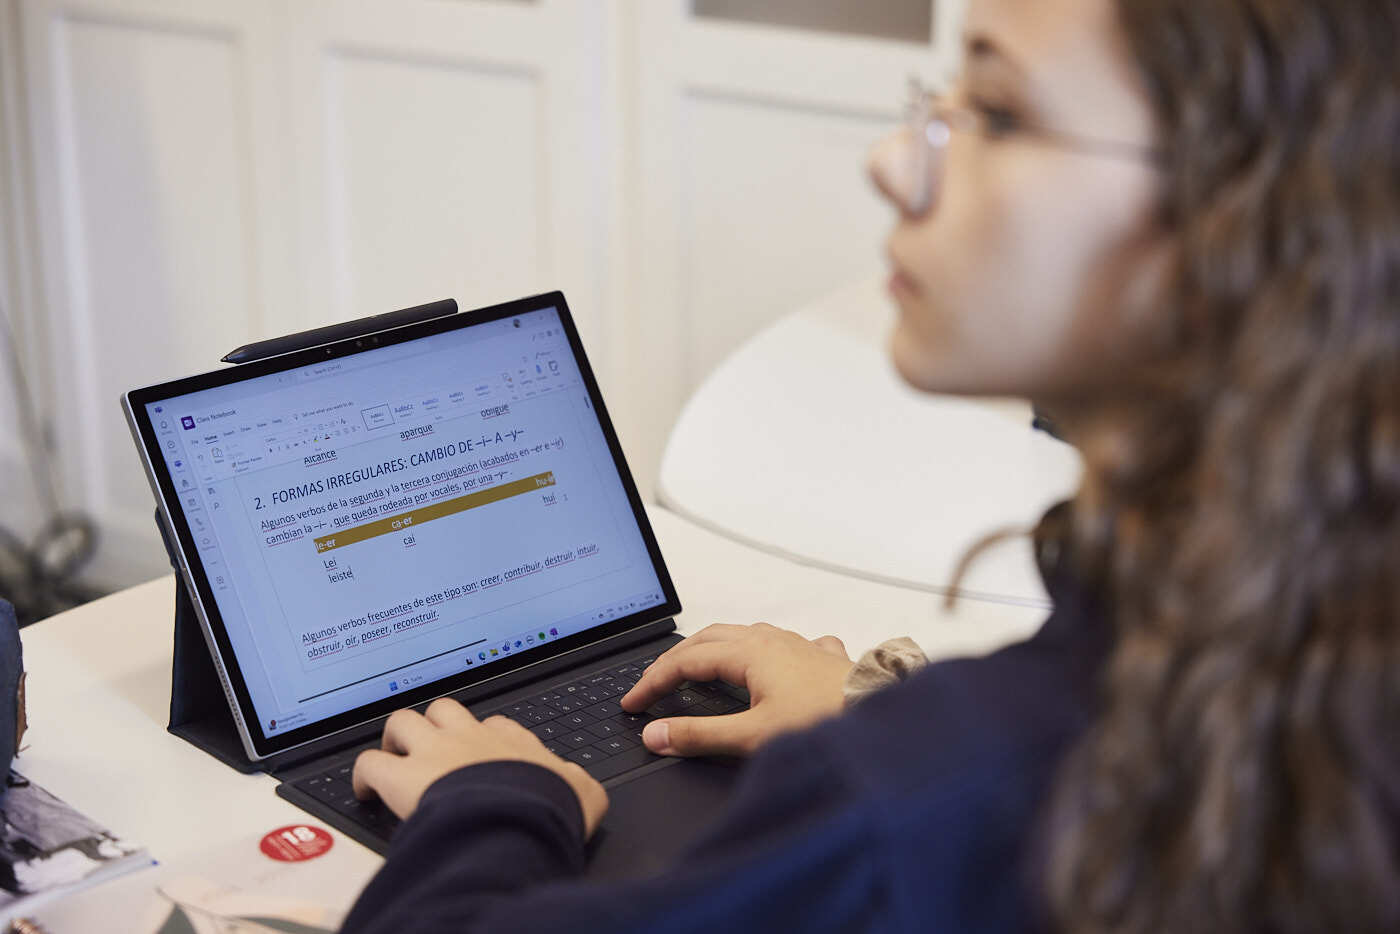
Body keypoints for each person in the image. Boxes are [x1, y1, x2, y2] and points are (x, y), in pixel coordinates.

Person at [342, 0, 1400, 930]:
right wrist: (861, 703)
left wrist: (490, 801)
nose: (892, 160)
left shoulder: (926, 801)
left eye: (994, 112)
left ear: (1236, 221)